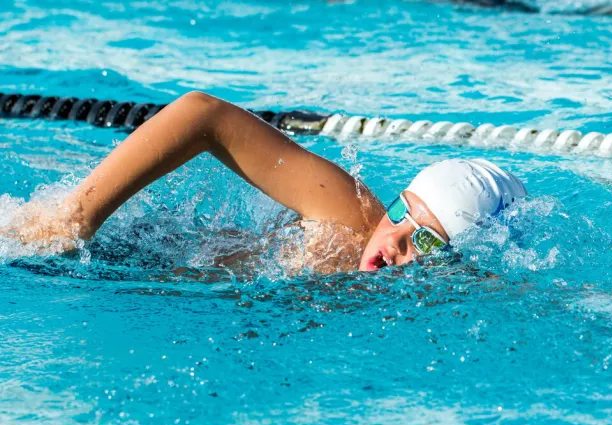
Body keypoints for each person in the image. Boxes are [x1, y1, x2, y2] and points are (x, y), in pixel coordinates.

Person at [2, 92, 526, 274]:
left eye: (426, 240)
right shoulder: (350, 216)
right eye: (398, 213)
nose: (394, 243)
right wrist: (75, 218)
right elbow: (200, 115)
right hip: (125, 255)